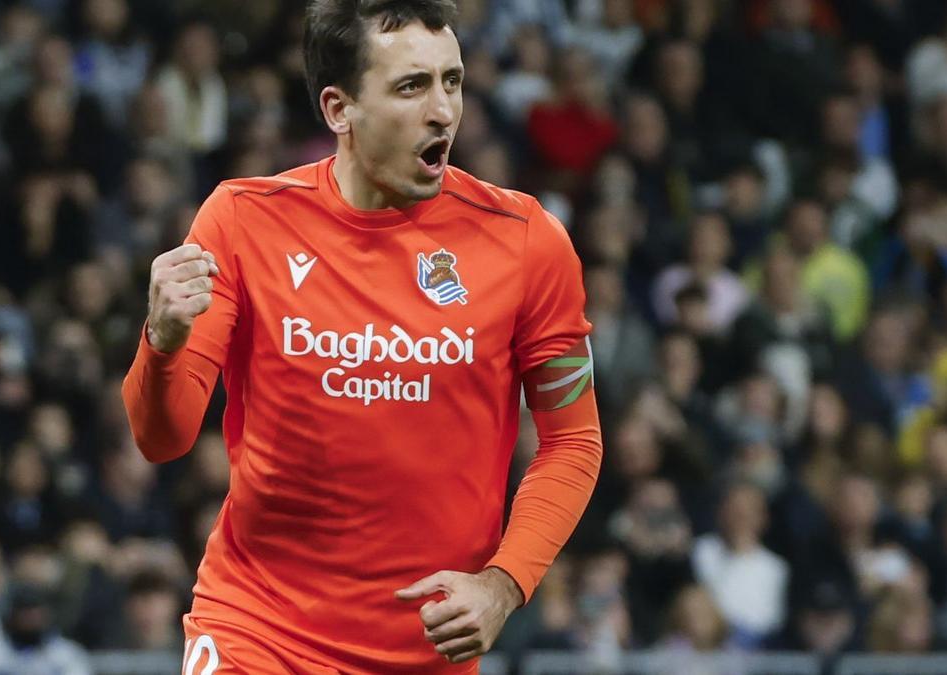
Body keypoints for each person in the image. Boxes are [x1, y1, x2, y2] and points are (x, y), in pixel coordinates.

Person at [120, 1, 602, 673]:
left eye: (452, 81)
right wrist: (162, 340)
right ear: (339, 109)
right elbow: (162, 438)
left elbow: (573, 441)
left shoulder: (528, 243)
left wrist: (504, 583)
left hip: (427, 648)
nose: (443, 111)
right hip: (259, 631)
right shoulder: (241, 221)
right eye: (411, 86)